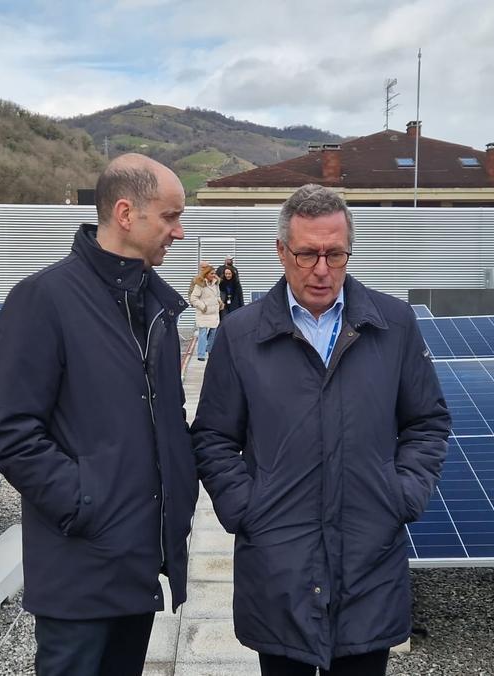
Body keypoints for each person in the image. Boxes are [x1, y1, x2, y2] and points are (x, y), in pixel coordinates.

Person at [191, 184, 452, 675]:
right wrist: (247, 508)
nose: (322, 270)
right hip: (278, 562)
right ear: (281, 252)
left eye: (335, 254)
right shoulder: (241, 335)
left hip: (368, 558)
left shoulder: (392, 324)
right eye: (307, 253)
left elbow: (427, 421)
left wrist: (402, 494)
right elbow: (213, 437)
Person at [0, 153, 198, 676]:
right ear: (126, 213)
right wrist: (86, 503)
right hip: (80, 565)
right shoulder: (43, 300)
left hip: (140, 562)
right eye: (170, 217)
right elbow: (9, 434)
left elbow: (163, 418)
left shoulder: (156, 310)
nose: (181, 232)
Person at [189, 264, 222, 360]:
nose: (214, 275)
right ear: (206, 274)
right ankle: (201, 354)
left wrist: (220, 302)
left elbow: (217, 295)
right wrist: (203, 306)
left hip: (214, 312)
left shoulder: (216, 284)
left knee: (213, 332)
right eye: (212, 273)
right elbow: (193, 298)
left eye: (214, 273)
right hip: (203, 313)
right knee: (202, 333)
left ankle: (210, 350)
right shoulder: (200, 284)